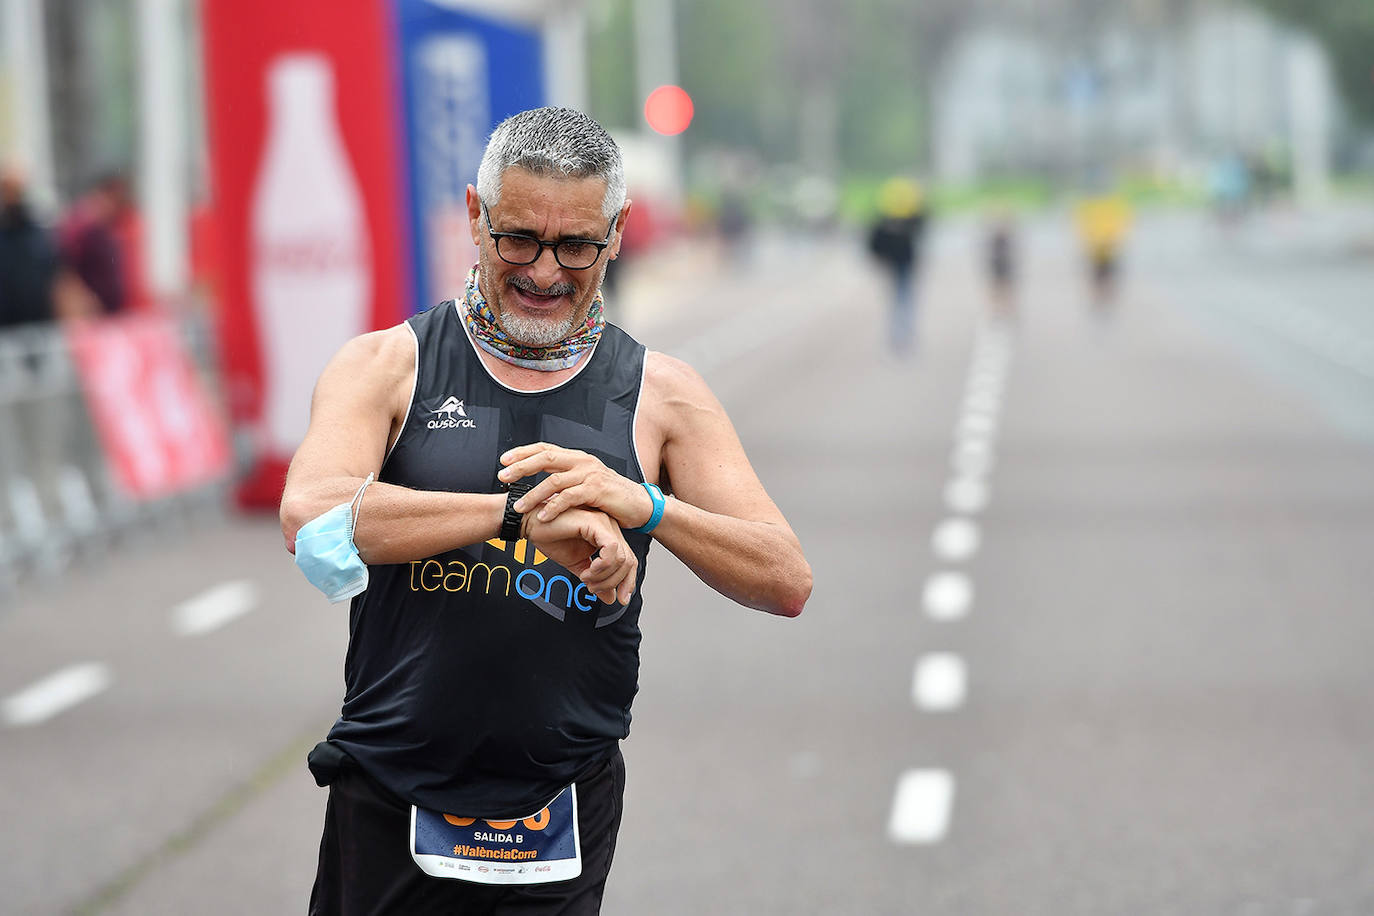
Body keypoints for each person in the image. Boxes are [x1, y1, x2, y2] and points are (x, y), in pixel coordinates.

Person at [279, 106, 811, 915]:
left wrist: (647, 505)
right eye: (518, 238)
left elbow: (785, 578)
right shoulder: (389, 363)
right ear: (473, 215)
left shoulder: (660, 391)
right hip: (392, 785)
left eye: (577, 246)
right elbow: (313, 516)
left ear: (620, 232)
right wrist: (514, 516)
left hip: (559, 800)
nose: (545, 271)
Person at [865, 178, 927, 355]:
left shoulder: (903, 220)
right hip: (897, 264)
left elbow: (873, 243)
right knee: (902, 299)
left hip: (902, 264)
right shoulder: (889, 222)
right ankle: (901, 335)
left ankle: (901, 336)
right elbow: (874, 243)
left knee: (900, 299)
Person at [0, 163, 60, 329]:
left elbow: (54, 274)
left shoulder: (39, 234)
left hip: (39, 324)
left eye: (16, 191)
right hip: (7, 328)